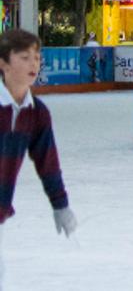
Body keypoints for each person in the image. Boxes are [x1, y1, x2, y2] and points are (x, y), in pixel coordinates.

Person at [0, 28, 77, 284]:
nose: (33, 63)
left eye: (36, 57)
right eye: (24, 57)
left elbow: (48, 163)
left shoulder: (36, 113)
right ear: (4, 64)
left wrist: (60, 204)